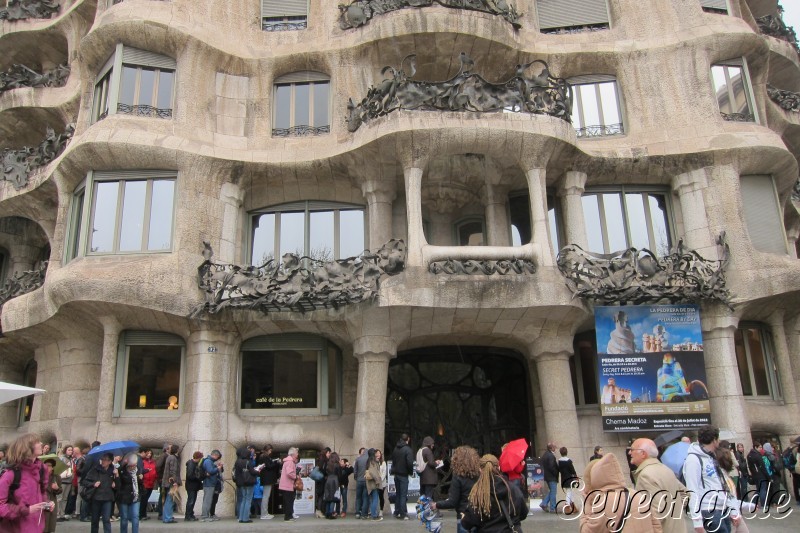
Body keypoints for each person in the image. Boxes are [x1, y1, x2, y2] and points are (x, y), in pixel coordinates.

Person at [580, 452, 661, 533]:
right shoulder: (637, 494)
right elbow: (656, 525)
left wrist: (586, 505)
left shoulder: (603, 503)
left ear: (596, 478)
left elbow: (586, 531)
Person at [683, 425, 741, 533]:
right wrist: (697, 521)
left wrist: (733, 510)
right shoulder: (693, 459)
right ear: (714, 440)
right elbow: (692, 490)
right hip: (708, 509)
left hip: (722, 508)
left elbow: (723, 485)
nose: (718, 442)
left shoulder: (713, 457)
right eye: (718, 439)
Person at [630, 438, 688, 533]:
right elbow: (685, 494)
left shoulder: (645, 475)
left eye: (632, 449)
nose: (630, 453)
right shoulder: (665, 469)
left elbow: (657, 511)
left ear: (643, 454)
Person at [461, 454, 527, 532]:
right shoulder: (512, 488)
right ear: (499, 467)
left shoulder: (478, 492)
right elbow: (523, 513)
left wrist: (464, 518)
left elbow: (469, 523)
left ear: (480, 469)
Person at [0, 434, 52, 532]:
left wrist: (47, 504)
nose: (41, 444)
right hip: (14, 528)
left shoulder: (41, 469)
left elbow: (41, 493)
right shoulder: (11, 474)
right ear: (26, 448)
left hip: (37, 527)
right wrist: (26, 510)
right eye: (37, 442)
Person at [430, 445, 480, 533]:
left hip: (464, 516)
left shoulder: (458, 477)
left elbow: (453, 502)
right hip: (478, 515)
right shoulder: (479, 475)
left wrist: (436, 505)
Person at [82, 452, 117, 533]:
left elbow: (118, 486)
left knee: (106, 519)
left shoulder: (113, 471)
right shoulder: (95, 469)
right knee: (95, 520)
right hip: (96, 497)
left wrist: (116, 479)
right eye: (102, 459)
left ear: (110, 461)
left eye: (106, 460)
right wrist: (93, 484)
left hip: (107, 498)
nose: (103, 461)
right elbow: (85, 481)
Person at [116, 454, 143, 533]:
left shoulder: (139, 470)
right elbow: (119, 484)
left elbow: (140, 484)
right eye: (130, 466)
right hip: (124, 496)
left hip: (136, 495)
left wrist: (140, 479)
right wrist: (123, 464)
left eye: (134, 465)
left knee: (135, 517)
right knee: (124, 518)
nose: (132, 467)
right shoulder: (122, 470)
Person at [389, 433, 413, 520]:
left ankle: (397, 511)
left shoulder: (396, 449)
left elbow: (393, 460)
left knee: (398, 494)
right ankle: (403, 513)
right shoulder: (408, 449)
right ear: (408, 439)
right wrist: (410, 472)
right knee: (403, 495)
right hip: (403, 474)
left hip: (396, 474)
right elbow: (410, 463)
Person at [233, 447, 259, 523]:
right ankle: (246, 518)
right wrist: (258, 471)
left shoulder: (237, 462)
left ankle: (241, 517)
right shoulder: (248, 462)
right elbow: (253, 472)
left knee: (243, 500)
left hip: (241, 483)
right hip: (248, 482)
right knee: (248, 500)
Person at [257, 444, 279, 519]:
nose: (271, 452)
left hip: (266, 478)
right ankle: (264, 514)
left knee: (266, 496)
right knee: (266, 496)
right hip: (267, 479)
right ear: (268, 450)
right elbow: (269, 466)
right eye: (270, 450)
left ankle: (265, 513)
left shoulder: (263, 456)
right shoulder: (265, 457)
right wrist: (275, 462)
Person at [200, 450, 223, 522]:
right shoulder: (208, 461)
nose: (217, 459)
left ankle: (207, 515)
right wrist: (218, 468)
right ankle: (205, 516)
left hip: (211, 483)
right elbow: (210, 471)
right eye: (217, 457)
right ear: (215, 455)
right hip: (209, 483)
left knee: (209, 500)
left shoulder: (210, 461)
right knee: (207, 500)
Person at [160, 444, 180, 524]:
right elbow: (173, 470)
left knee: (168, 500)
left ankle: (166, 517)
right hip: (171, 482)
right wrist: (174, 482)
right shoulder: (173, 458)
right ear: (177, 450)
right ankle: (168, 517)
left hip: (168, 482)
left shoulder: (170, 457)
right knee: (170, 500)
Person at [278, 447, 300, 522]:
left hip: (286, 485)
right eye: (297, 453)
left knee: (288, 501)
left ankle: (288, 516)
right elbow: (289, 473)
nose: (297, 454)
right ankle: (288, 517)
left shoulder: (288, 461)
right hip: (287, 485)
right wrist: (295, 476)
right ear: (293, 454)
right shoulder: (290, 462)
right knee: (289, 501)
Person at [42, 458, 61, 533]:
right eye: (45, 465)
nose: (47, 467)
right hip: (42, 500)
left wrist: (57, 488)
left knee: (50, 522)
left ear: (52, 467)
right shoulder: (40, 476)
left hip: (52, 500)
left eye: (49, 466)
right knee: (43, 522)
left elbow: (60, 490)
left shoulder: (56, 477)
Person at [747, 442, 768, 509]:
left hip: (755, 475)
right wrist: (768, 476)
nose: (761, 449)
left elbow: (750, 466)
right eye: (760, 447)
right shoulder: (757, 455)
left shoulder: (749, 455)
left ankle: (753, 502)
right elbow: (762, 467)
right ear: (755, 447)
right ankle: (763, 504)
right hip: (760, 474)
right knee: (762, 490)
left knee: (758, 489)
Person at [556, 446, 578, 514]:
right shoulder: (568, 461)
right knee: (569, 492)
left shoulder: (559, 461)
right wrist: (576, 477)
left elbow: (559, 470)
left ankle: (573, 508)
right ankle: (567, 506)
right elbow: (572, 470)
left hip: (563, 478)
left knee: (570, 492)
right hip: (570, 478)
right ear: (567, 452)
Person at [184, 451, 203, 522]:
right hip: (191, 485)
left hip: (194, 485)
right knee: (191, 501)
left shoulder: (195, 464)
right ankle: (188, 515)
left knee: (192, 500)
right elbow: (190, 475)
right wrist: (198, 477)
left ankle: (190, 514)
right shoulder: (191, 464)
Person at [364, 448, 383, 521]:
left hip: (370, 483)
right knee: (375, 499)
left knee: (373, 499)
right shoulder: (372, 462)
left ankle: (373, 514)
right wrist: (377, 480)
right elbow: (373, 472)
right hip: (373, 484)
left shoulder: (369, 461)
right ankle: (374, 515)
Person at [539, 442, 558, 513]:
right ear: (551, 448)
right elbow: (552, 467)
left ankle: (544, 503)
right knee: (553, 492)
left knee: (552, 491)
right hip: (552, 477)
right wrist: (556, 473)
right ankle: (552, 508)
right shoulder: (551, 456)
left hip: (547, 476)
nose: (555, 448)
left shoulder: (545, 454)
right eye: (554, 447)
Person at [56, 445, 73, 522]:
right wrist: (66, 465)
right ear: (65, 450)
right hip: (62, 480)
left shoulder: (71, 459)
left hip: (69, 480)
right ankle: (58, 514)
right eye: (69, 450)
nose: (70, 451)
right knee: (60, 498)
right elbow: (59, 468)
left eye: (71, 450)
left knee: (65, 498)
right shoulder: (62, 458)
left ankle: (62, 514)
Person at [138, 448, 155, 521]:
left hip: (151, 482)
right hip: (144, 482)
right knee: (143, 500)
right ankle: (141, 515)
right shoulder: (142, 461)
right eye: (148, 453)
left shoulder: (153, 462)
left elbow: (154, 471)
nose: (149, 455)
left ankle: (144, 514)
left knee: (146, 499)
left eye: (150, 453)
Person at [323, 452, 341, 519]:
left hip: (328, 480)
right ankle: (331, 513)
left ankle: (327, 513)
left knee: (328, 497)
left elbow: (325, 472)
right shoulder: (337, 465)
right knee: (333, 498)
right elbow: (339, 474)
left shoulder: (327, 464)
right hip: (335, 480)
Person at [314, 447, 331, 518]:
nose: (329, 454)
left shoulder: (319, 460)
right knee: (321, 496)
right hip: (322, 480)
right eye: (329, 453)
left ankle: (319, 511)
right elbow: (323, 470)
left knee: (320, 496)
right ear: (326, 453)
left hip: (319, 480)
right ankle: (319, 511)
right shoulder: (324, 461)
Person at [353, 447, 368, 519]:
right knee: (365, 497)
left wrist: (356, 477)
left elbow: (355, 470)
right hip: (366, 480)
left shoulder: (358, 459)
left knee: (358, 497)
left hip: (359, 480)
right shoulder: (368, 459)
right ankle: (364, 513)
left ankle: (357, 512)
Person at [375, 449, 387, 517]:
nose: (378, 454)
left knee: (381, 497)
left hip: (382, 483)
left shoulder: (383, 463)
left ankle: (381, 510)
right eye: (376, 453)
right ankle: (374, 510)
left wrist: (380, 480)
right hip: (375, 483)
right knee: (375, 496)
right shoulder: (374, 462)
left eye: (379, 453)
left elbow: (384, 473)